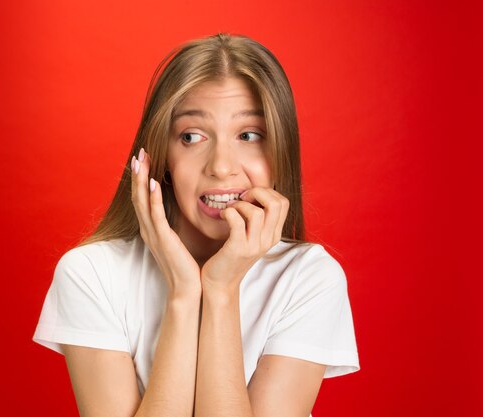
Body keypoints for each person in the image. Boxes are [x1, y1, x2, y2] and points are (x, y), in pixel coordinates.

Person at [33, 33, 359, 417]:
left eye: (249, 135)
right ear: (160, 154)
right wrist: (184, 294)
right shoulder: (92, 274)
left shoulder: (309, 278)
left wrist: (221, 290)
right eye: (191, 136)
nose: (221, 166)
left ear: (280, 151)